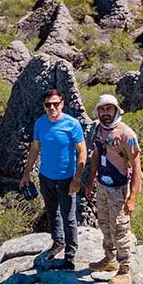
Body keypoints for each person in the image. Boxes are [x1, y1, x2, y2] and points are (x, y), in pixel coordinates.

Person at [20, 88, 87, 270]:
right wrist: (26, 174)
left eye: (55, 104)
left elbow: (82, 151)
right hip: (46, 177)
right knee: (52, 212)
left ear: (62, 104)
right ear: (44, 106)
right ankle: (58, 241)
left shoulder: (72, 124)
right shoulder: (40, 124)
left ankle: (70, 254)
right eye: (48, 105)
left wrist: (77, 178)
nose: (52, 107)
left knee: (69, 217)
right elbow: (35, 148)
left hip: (67, 178)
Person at [85, 94, 142, 284]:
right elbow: (95, 156)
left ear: (116, 110)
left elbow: (136, 167)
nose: (105, 113)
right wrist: (90, 182)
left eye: (109, 109)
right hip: (102, 185)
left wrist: (132, 198)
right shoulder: (98, 129)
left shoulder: (126, 134)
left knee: (120, 228)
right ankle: (109, 259)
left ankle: (125, 270)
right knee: (104, 223)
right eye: (102, 109)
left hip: (119, 188)